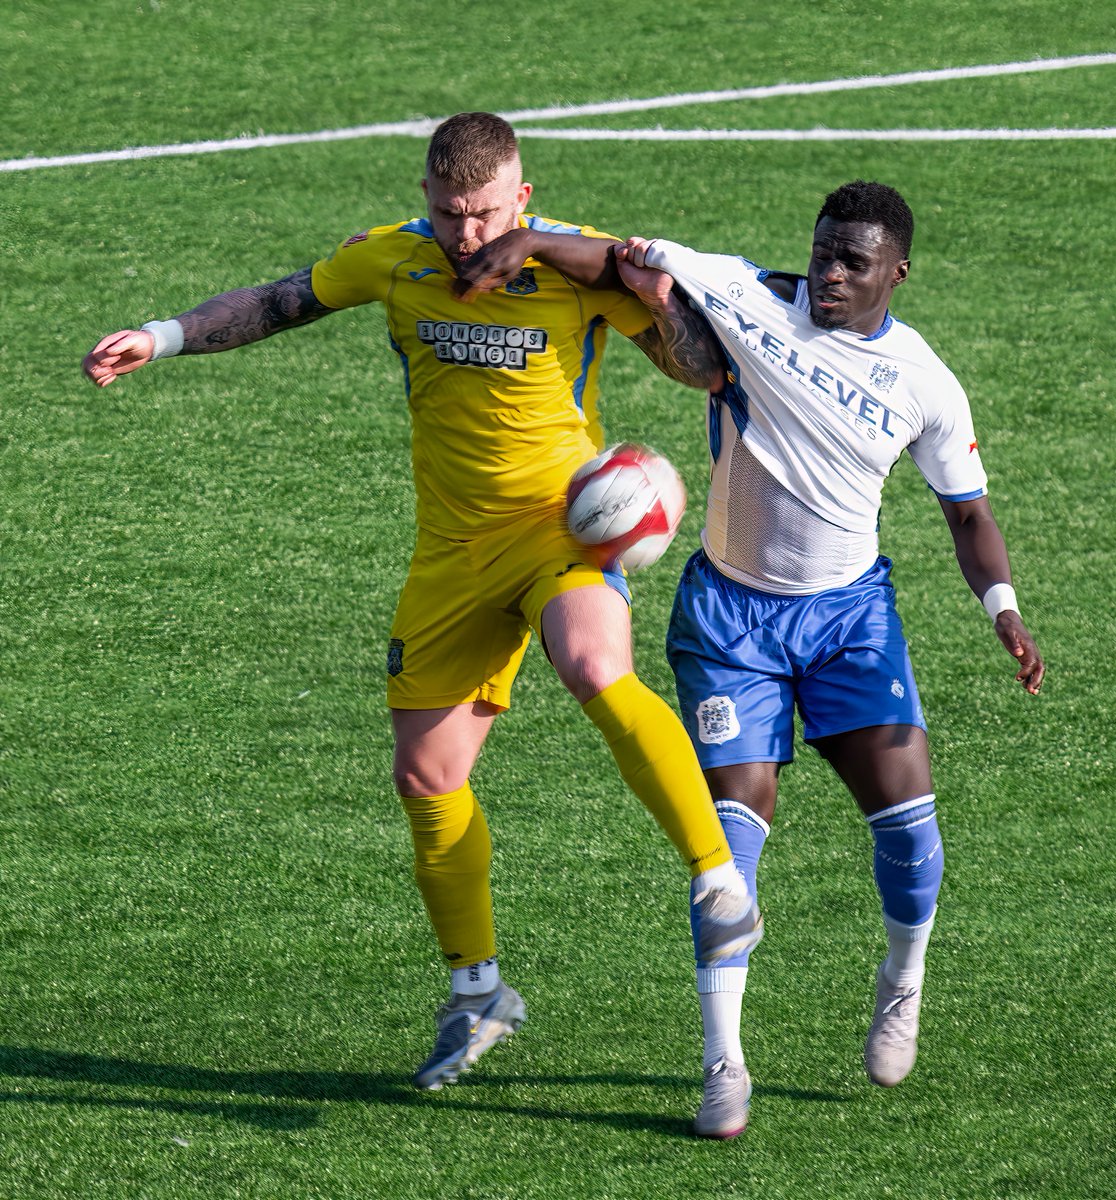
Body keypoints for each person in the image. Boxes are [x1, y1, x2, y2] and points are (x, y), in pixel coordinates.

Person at [80, 111, 763, 1092]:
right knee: (427, 777)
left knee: (593, 665)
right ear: (427, 202)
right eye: (448, 214)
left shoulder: (576, 271)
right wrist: (163, 336)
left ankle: (716, 878)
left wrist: (656, 297)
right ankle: (479, 992)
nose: (466, 235)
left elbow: (703, 368)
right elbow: (279, 304)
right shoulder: (395, 261)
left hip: (556, 532)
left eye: (484, 214)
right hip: (449, 559)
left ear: (521, 198)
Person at [457, 179, 1044, 1136]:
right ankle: (723, 1063)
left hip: (849, 618)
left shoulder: (924, 382)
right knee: (729, 848)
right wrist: (522, 241)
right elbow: (620, 259)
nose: (830, 275)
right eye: (822, 253)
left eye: (854, 263)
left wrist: (1004, 610)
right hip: (731, 620)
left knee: (909, 827)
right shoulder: (744, 292)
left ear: (897, 273)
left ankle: (904, 980)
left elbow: (968, 510)